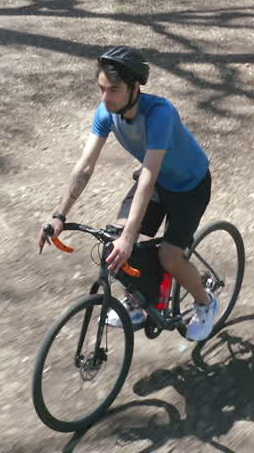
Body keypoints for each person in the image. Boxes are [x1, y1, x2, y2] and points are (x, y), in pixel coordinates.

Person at [38, 46, 220, 342]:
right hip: (160, 182)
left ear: (135, 87)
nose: (106, 98)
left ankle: (206, 302)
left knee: (170, 258)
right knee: (115, 242)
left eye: (114, 90)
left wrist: (129, 237)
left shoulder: (160, 113)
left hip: (189, 187)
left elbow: (148, 177)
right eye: (102, 89)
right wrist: (60, 215)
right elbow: (84, 168)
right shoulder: (106, 113)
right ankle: (137, 301)